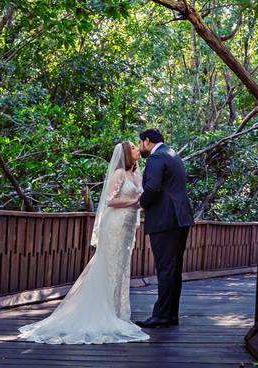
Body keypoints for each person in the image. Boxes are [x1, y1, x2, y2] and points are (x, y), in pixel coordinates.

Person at [17, 142, 148, 344]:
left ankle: (117, 312)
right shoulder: (119, 173)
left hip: (129, 226)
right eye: (132, 148)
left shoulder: (136, 174)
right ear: (125, 154)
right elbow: (110, 201)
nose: (137, 149)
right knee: (109, 266)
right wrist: (135, 202)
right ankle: (104, 313)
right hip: (114, 224)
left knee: (122, 268)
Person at [134, 128, 195, 328]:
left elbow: (152, 187)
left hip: (166, 219)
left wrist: (140, 203)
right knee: (173, 268)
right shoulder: (173, 154)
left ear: (148, 141)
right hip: (180, 218)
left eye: (141, 143)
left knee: (165, 268)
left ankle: (161, 316)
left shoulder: (156, 158)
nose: (141, 147)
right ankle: (170, 315)